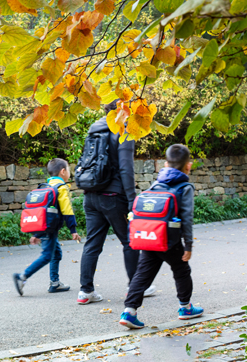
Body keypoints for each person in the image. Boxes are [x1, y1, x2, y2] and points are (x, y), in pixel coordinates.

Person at [77, 100, 155, 305]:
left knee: (92, 243)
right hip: (113, 196)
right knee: (130, 242)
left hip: (91, 194)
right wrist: (132, 200)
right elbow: (126, 169)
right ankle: (136, 286)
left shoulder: (94, 128)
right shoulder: (124, 130)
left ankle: (85, 292)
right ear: (122, 110)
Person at [120, 144, 202, 329]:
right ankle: (185, 307)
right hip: (170, 241)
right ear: (188, 166)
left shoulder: (157, 183)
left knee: (142, 274)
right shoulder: (185, 187)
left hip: (150, 237)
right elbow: (187, 218)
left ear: (165, 164)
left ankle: (129, 312)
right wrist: (188, 245)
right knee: (181, 271)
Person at [13, 158, 81, 295]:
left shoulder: (44, 187)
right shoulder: (61, 188)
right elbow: (67, 210)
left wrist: (36, 233)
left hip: (45, 227)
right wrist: (73, 230)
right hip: (50, 228)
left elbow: (39, 212)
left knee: (56, 253)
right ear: (63, 172)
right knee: (47, 256)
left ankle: (55, 283)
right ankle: (22, 277)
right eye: (68, 170)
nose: (69, 173)